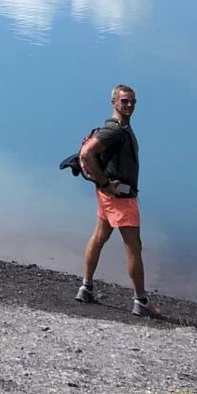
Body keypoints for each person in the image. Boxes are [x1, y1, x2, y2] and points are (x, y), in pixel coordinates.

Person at [75, 83, 157, 316]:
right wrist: (104, 184)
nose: (129, 105)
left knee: (100, 236)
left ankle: (86, 288)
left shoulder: (116, 127)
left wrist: (103, 187)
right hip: (120, 197)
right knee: (134, 246)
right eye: (124, 101)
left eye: (132, 101)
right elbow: (86, 153)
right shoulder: (116, 130)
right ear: (114, 103)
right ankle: (141, 301)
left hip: (109, 196)